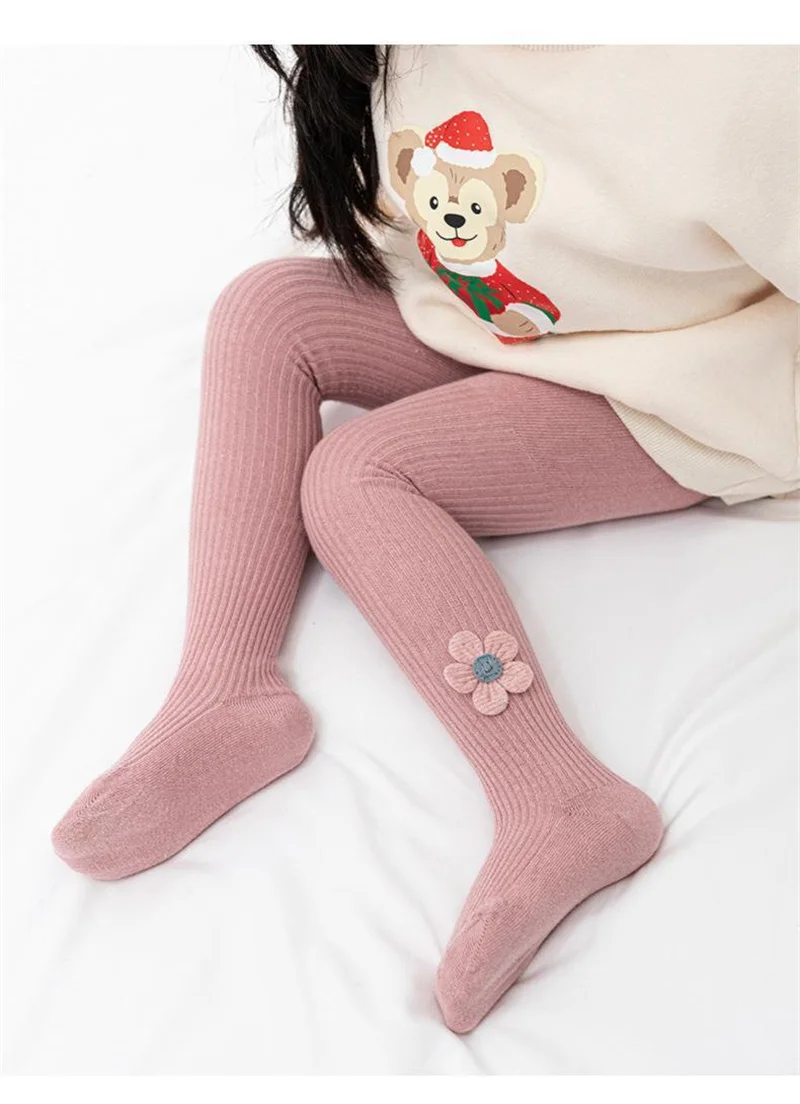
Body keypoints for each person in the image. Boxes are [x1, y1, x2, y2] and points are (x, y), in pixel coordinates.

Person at [51, 45, 800, 1033]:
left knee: (356, 477)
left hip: (681, 387)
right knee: (265, 311)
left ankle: (560, 798)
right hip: (521, 327)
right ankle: (224, 690)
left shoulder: (744, 78)